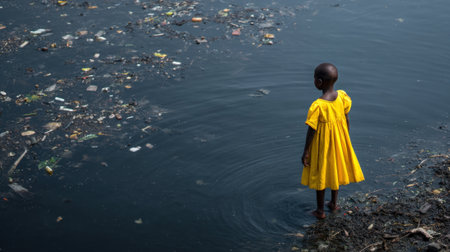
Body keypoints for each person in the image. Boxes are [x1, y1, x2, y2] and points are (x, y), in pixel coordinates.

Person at [301, 63, 365, 219]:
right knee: (335, 171)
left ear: (320, 82)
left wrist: (306, 151)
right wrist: (345, 139)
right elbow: (346, 119)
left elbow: (312, 130)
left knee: (321, 174)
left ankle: (320, 211)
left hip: (322, 146)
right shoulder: (342, 97)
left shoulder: (319, 106)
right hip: (338, 143)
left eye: (315, 78)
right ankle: (334, 204)